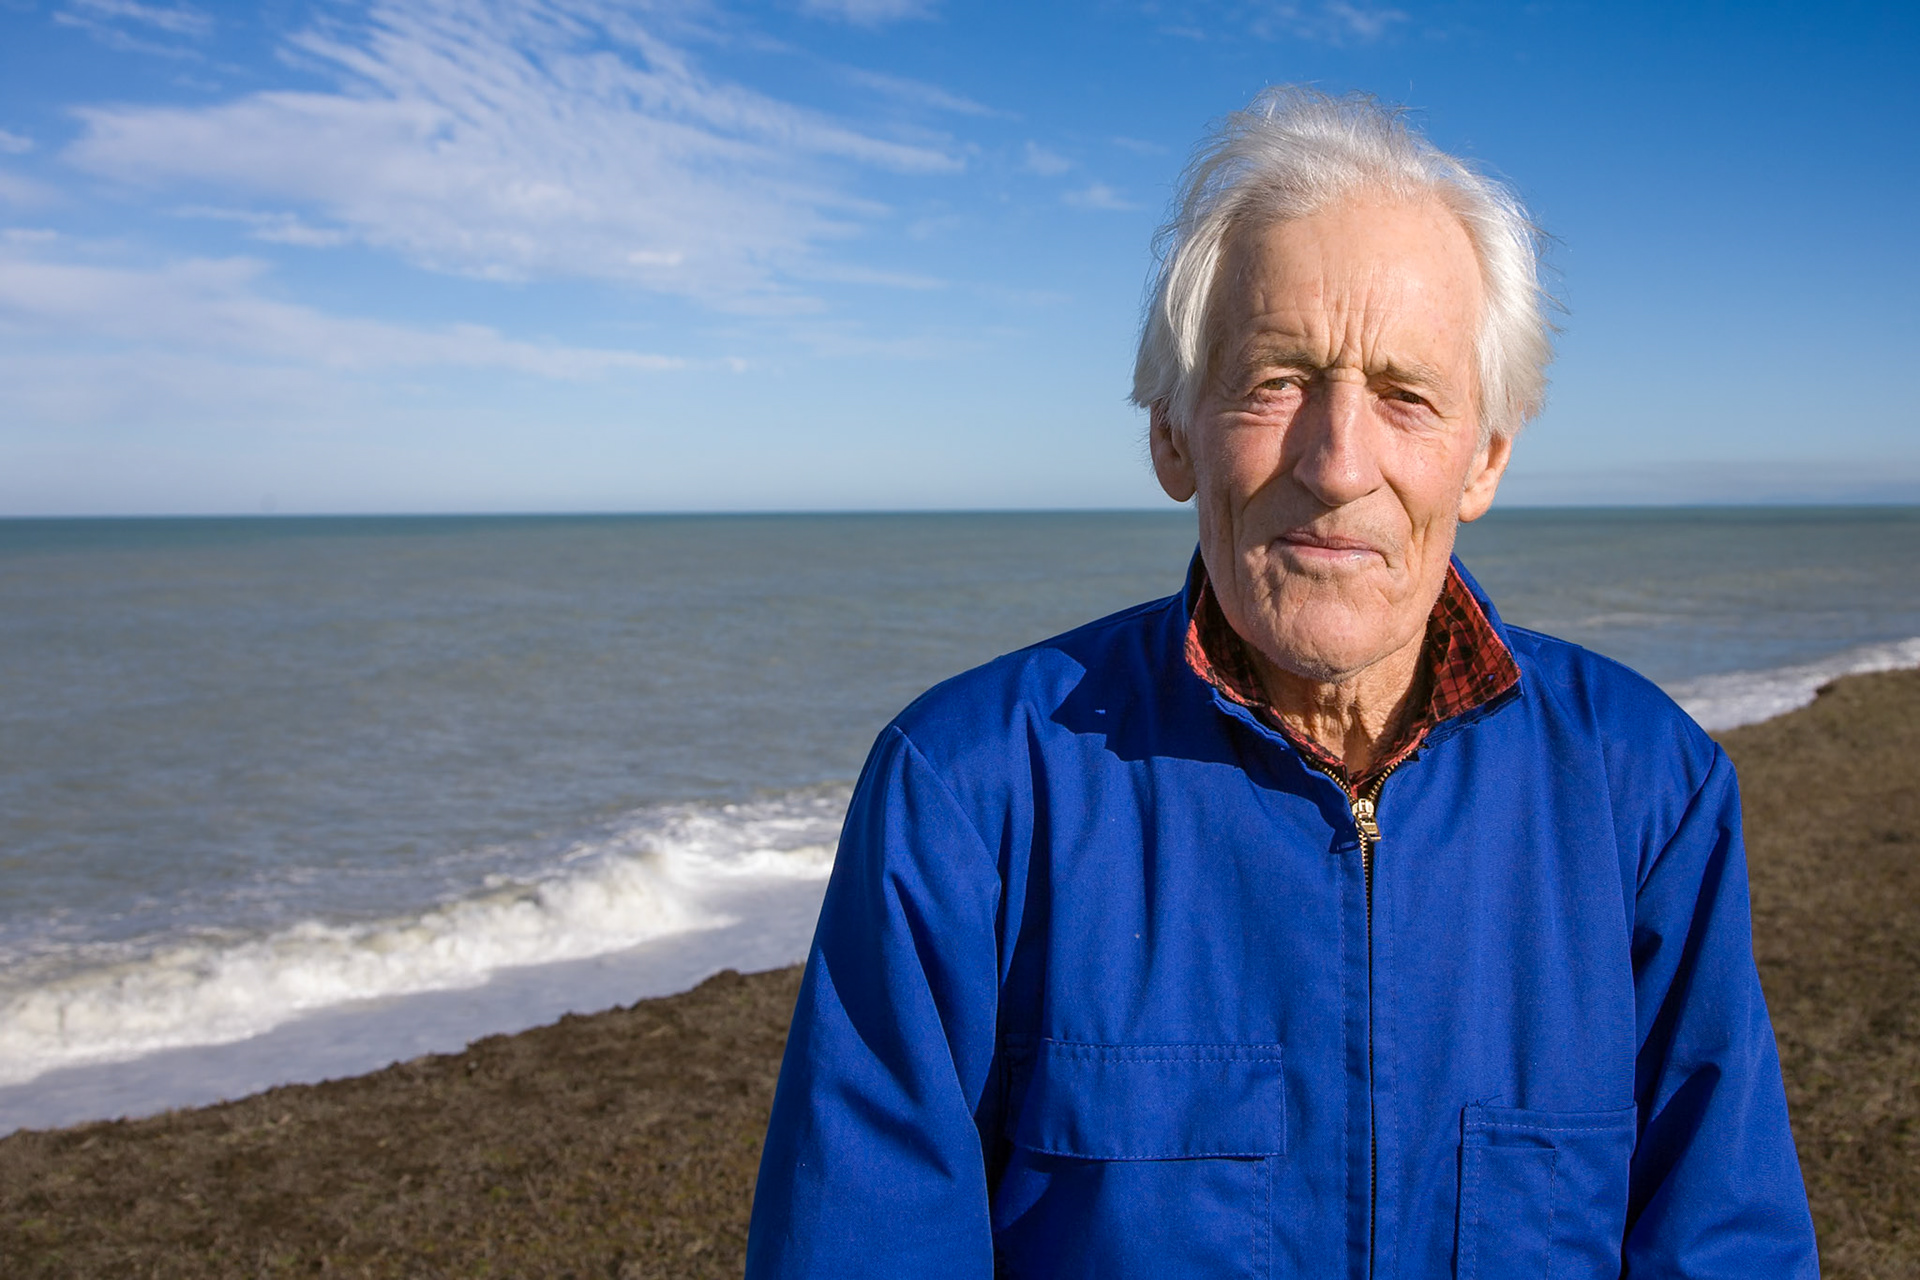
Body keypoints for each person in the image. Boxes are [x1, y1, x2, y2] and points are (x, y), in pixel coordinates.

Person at [744, 87, 1819, 1278]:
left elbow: (1726, 1242)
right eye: (1275, 381)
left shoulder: (1647, 791)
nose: (1338, 461)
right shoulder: (965, 794)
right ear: (1172, 433)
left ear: (1487, 456)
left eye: (1407, 396)